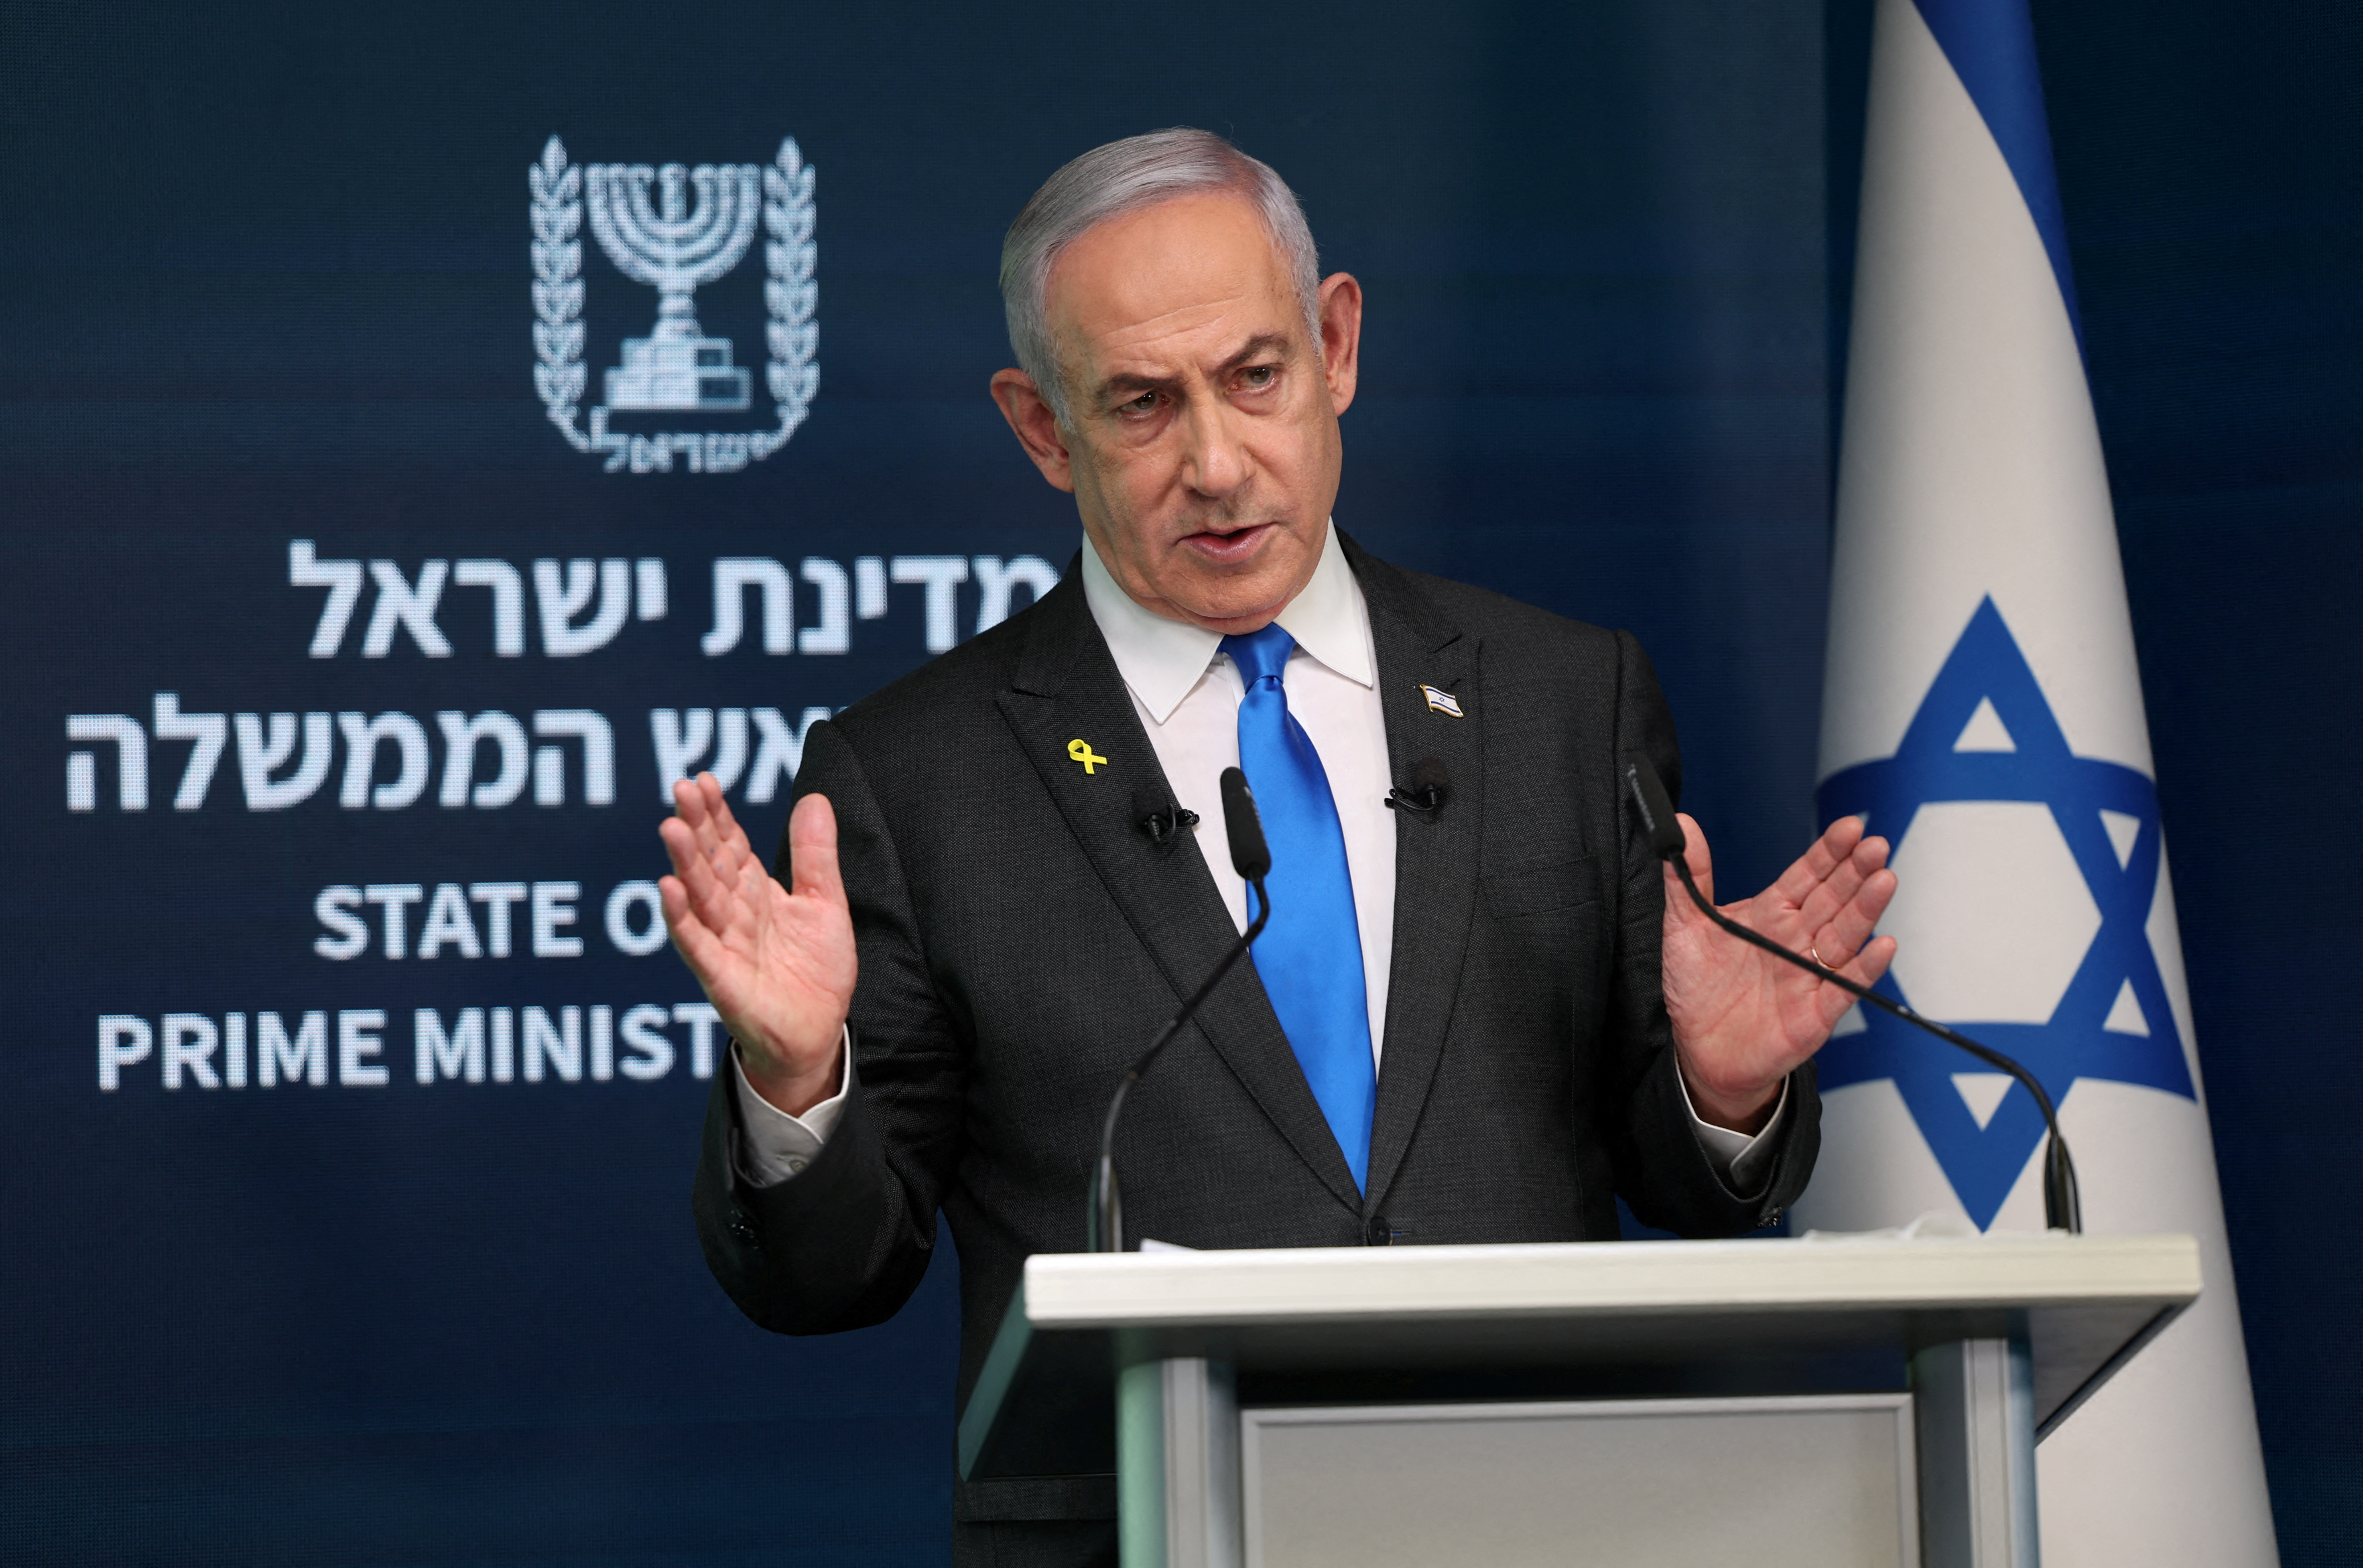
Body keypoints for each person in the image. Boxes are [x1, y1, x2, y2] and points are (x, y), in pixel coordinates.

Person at [658, 129, 1898, 1567]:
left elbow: (1682, 1189)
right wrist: (798, 1079)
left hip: (1539, 1514)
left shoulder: (1563, 700)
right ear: (1042, 428)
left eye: (1257, 377)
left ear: (1338, 346)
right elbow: (831, 1275)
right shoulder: (915, 777)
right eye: (1139, 404)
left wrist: (1719, 1090)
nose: (1218, 460)